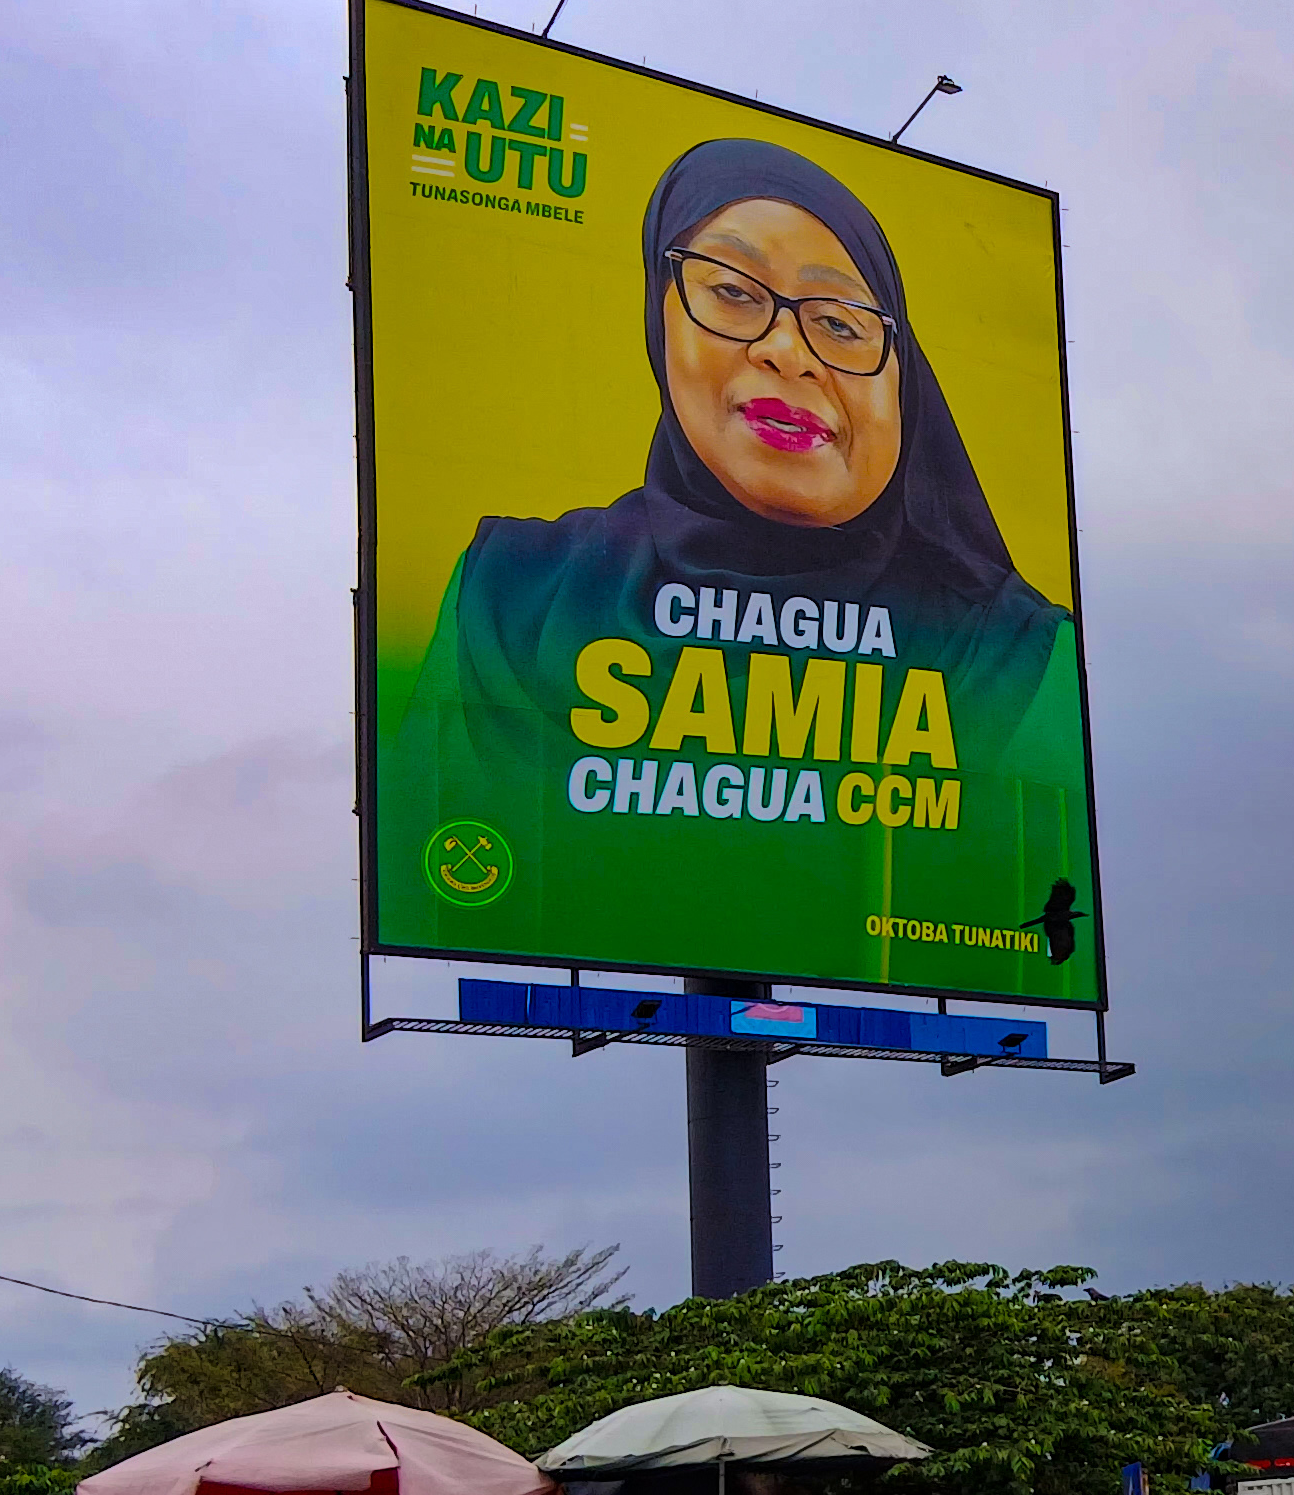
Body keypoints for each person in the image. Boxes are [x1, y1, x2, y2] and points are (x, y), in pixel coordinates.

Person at [390, 137, 1094, 983]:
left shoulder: (1011, 650)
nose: (788, 353)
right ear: (660, 313)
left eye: (839, 323)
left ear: (900, 378)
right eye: (730, 291)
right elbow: (431, 852)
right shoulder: (512, 594)